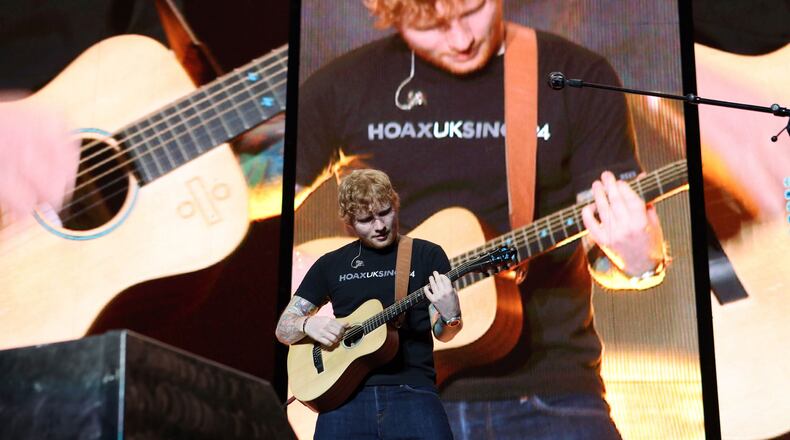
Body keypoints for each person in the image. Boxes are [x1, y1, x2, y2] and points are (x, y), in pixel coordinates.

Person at [294, 0, 668, 438]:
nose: (461, 39)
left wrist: (641, 260)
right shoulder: (347, 85)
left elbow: (608, 254)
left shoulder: (572, 75)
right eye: (430, 26)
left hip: (551, 394)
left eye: (473, 10)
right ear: (389, 12)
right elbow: (259, 191)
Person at [276, 169, 461, 439]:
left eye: (385, 212)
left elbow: (444, 333)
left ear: (395, 204)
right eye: (366, 220)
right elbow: (284, 328)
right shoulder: (331, 264)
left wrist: (451, 316)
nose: (380, 226)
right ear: (349, 223)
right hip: (342, 399)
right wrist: (308, 324)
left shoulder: (426, 254)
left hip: (412, 393)